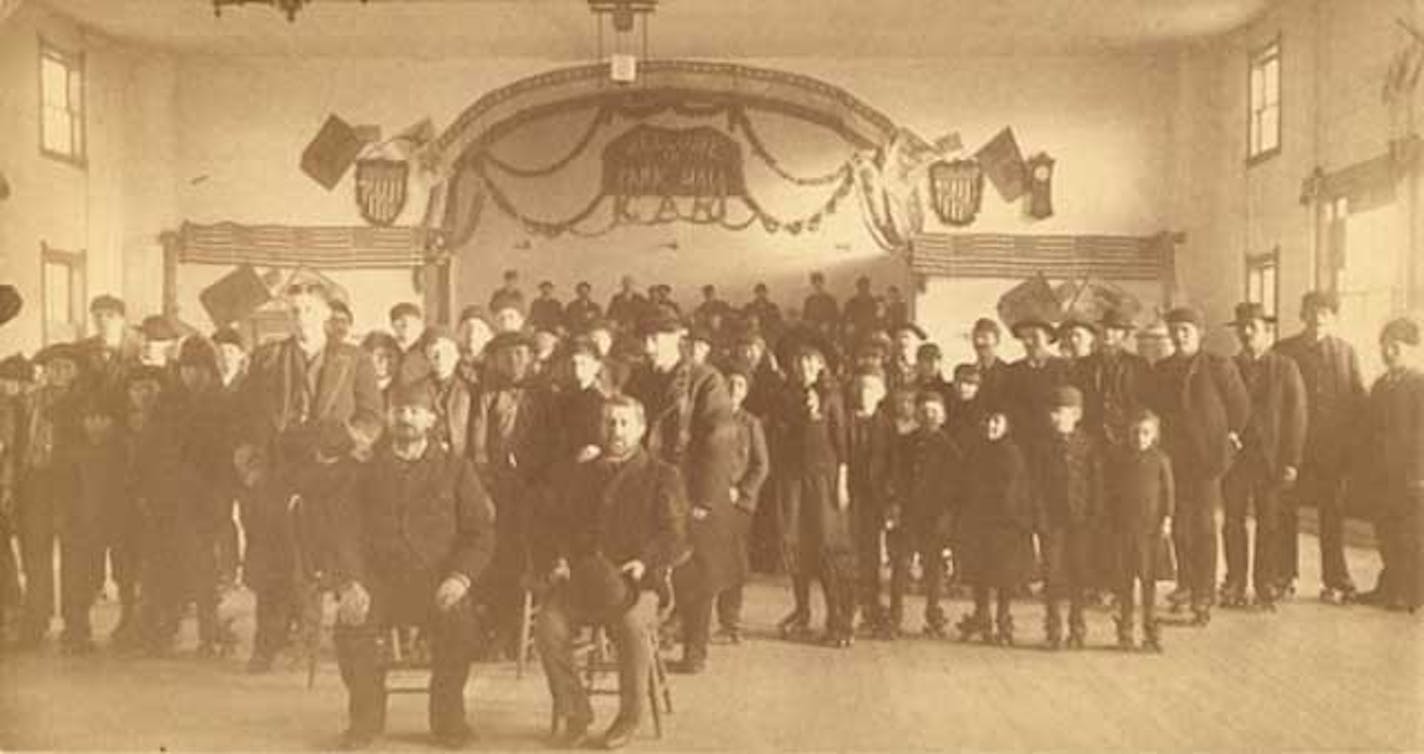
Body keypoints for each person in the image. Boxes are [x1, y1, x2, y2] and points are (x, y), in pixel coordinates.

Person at [334, 380, 497, 750]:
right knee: (350, 627)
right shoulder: (364, 469)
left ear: (431, 419)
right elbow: (345, 531)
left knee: (461, 624)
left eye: (415, 411)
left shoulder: (456, 469)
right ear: (389, 417)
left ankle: (448, 719)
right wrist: (351, 583)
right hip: (379, 583)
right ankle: (365, 718)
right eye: (399, 410)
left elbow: (480, 534)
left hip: (436, 582)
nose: (406, 417)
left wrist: (460, 578)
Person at [237, 281, 383, 671]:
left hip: (335, 473)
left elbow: (372, 417)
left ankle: (338, 638)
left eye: (309, 311)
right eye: (294, 311)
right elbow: (249, 418)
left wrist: (341, 446)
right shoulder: (268, 359)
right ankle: (267, 642)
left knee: (338, 555)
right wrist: (251, 464)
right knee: (275, 560)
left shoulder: (354, 359)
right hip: (281, 472)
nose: (301, 319)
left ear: (326, 316)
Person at [535, 395, 689, 750]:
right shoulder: (582, 473)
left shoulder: (662, 475)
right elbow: (560, 527)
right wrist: (560, 559)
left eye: (623, 423)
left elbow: (676, 537)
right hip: (586, 580)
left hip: (639, 582)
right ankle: (576, 713)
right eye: (609, 423)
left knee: (633, 626)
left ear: (640, 428)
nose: (616, 430)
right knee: (548, 626)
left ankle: (628, 716)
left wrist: (646, 561)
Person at [624, 309, 736, 672]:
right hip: (649, 485)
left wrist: (705, 497)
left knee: (696, 570)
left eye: (658, 338)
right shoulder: (639, 379)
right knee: (650, 560)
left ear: (679, 339)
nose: (649, 345)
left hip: (691, 487)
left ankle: (695, 649)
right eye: (645, 338)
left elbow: (719, 442)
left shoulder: (706, 380)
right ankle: (651, 639)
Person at [1151, 306, 1249, 625]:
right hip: (1173, 460)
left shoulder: (1219, 367)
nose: (1179, 337)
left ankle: (1204, 594)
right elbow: (1153, 410)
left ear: (1199, 334)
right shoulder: (1162, 369)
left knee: (1204, 527)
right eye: (1175, 331)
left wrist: (1228, 439)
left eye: (1186, 331)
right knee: (1179, 525)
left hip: (1207, 460)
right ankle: (1186, 585)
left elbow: (1240, 407)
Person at [1274, 290, 1368, 603]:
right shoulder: (1284, 351)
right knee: (1285, 512)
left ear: (1333, 317)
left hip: (1332, 451)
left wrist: (1353, 448)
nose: (1318, 318)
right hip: (1293, 448)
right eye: (1312, 311)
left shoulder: (1346, 352)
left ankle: (1336, 579)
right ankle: (1283, 576)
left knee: (1333, 514)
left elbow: (1357, 400)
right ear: (1303, 315)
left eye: (1325, 312)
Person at [469, 330, 554, 656]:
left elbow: (554, 442)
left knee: (531, 554)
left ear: (532, 359)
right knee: (497, 554)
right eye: (507, 355)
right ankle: (499, 627)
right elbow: (478, 440)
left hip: (536, 489)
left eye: (521, 354)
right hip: (499, 487)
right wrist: (485, 478)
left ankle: (533, 629)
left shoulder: (545, 393)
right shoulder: (488, 393)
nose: (514, 361)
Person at [771, 333, 855, 647]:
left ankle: (838, 618)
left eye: (810, 361)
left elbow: (841, 443)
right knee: (795, 544)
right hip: (793, 480)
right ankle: (802, 611)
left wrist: (842, 483)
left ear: (819, 365)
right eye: (799, 362)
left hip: (823, 481)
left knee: (826, 546)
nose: (804, 367)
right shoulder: (785, 396)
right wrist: (799, 418)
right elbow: (779, 437)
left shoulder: (832, 396)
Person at [1221, 302, 1306, 610]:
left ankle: (1264, 585)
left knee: (1270, 523)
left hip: (1271, 461)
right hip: (1235, 461)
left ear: (1267, 332)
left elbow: (1297, 418)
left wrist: (1292, 462)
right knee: (1232, 521)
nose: (1246, 333)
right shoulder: (1227, 367)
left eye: (1252, 328)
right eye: (1242, 328)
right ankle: (1234, 582)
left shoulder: (1285, 367)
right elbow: (1219, 413)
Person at [15, 343, 82, 648]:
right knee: (36, 553)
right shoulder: (29, 401)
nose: (59, 372)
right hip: (35, 482)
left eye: (67, 367)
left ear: (76, 371)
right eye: (54, 366)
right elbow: (18, 443)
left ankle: (76, 622)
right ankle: (36, 619)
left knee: (73, 553)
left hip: (70, 484)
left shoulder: (84, 402)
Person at [1359, 317, 1424, 612]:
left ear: (1411, 349)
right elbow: (1369, 431)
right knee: (1385, 531)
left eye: (1395, 348)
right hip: (1382, 474)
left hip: (1411, 476)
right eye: (1384, 347)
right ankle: (1390, 585)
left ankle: (1411, 592)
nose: (1388, 353)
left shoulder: (1420, 385)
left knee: (1410, 534)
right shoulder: (1381, 385)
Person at [954, 411, 1033, 645]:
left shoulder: (1012, 452)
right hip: (979, 521)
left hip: (1005, 523)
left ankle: (1003, 618)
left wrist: (1013, 516)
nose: (991, 426)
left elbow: (1014, 488)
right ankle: (982, 616)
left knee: (1003, 576)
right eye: (987, 421)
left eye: (996, 421)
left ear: (1006, 425)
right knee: (980, 573)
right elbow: (966, 482)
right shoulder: (976, 450)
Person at [1034, 385, 1103, 650]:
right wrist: (1040, 517)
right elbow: (1037, 484)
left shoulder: (1088, 445)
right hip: (1052, 520)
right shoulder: (1042, 446)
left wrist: (1094, 515)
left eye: (1060, 412)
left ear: (1076, 414)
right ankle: (1053, 626)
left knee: (1078, 572)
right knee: (1051, 573)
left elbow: (1097, 482)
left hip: (1080, 520)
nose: (1053, 417)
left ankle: (1077, 625)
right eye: (1051, 412)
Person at [887, 389, 959, 638]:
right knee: (900, 564)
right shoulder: (905, 443)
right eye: (924, 410)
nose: (928, 416)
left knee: (933, 567)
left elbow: (954, 486)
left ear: (942, 416)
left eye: (934, 411)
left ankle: (933, 613)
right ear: (916, 413)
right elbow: (895, 475)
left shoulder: (949, 447)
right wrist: (894, 504)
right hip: (908, 513)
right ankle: (894, 615)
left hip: (934, 516)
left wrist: (946, 515)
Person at [59, 392, 123, 654]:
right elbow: (67, 490)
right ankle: (76, 629)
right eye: (91, 419)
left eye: (102, 419)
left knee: (106, 574)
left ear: (112, 422)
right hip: (83, 524)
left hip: (113, 521)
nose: (96, 424)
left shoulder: (120, 450)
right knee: (82, 577)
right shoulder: (75, 453)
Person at [1108, 410, 1174, 652]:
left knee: (1148, 582)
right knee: (1125, 583)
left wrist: (1166, 519)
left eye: (1145, 433)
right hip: (1125, 530)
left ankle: (1150, 630)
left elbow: (1168, 493)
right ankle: (1125, 628)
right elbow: (1112, 493)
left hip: (1150, 532)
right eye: (1135, 432)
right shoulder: (1119, 458)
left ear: (1154, 435)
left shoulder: (1161, 460)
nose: (1139, 438)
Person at [715, 367, 770, 644]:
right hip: (710, 498)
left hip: (738, 504)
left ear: (746, 391)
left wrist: (742, 491)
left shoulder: (751, 424)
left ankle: (730, 621)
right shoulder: (709, 418)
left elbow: (761, 465)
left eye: (739, 385)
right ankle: (686, 619)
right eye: (730, 383)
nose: (734, 389)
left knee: (733, 560)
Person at [843, 370, 894, 638]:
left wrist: (888, 499)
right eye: (861, 388)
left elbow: (893, 464)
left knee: (872, 553)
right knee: (848, 551)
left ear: (881, 395)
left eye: (872, 389)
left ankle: (872, 607)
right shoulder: (846, 420)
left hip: (874, 497)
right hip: (849, 494)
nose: (865, 394)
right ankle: (849, 606)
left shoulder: (885, 425)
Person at [422, 327, 473, 459]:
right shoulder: (418, 389)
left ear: (457, 355)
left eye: (446, 351)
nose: (440, 357)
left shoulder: (470, 388)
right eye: (433, 352)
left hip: (463, 457)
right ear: (426, 357)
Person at [388, 302, 433, 390]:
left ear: (420, 325)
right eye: (401, 323)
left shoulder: (428, 349)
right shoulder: (390, 351)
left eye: (411, 322)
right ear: (393, 326)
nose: (406, 326)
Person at [969, 317, 1009, 406]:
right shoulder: (968, 373)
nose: (979, 342)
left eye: (984, 337)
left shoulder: (1009, 373)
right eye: (976, 337)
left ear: (997, 341)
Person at [842, 276, 882, 345]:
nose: (863, 290)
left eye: (866, 287)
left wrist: (876, 330)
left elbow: (876, 317)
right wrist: (849, 325)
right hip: (856, 330)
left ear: (868, 288)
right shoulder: (852, 301)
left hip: (869, 331)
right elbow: (845, 317)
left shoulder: (872, 301)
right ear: (858, 288)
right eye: (861, 287)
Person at [802, 272, 840, 341]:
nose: (817, 285)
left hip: (828, 334)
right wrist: (810, 325)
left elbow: (836, 317)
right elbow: (805, 318)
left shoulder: (830, 300)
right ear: (812, 285)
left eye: (819, 282)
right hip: (813, 335)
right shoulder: (808, 301)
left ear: (823, 283)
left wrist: (829, 325)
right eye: (814, 283)